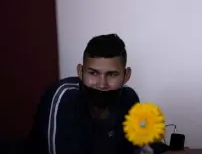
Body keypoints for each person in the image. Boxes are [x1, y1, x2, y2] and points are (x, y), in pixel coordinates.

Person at [24, 34, 170, 154]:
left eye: (112, 74)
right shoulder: (64, 97)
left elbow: (137, 147)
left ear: (126, 76)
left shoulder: (128, 98)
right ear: (80, 72)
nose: (102, 84)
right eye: (93, 73)